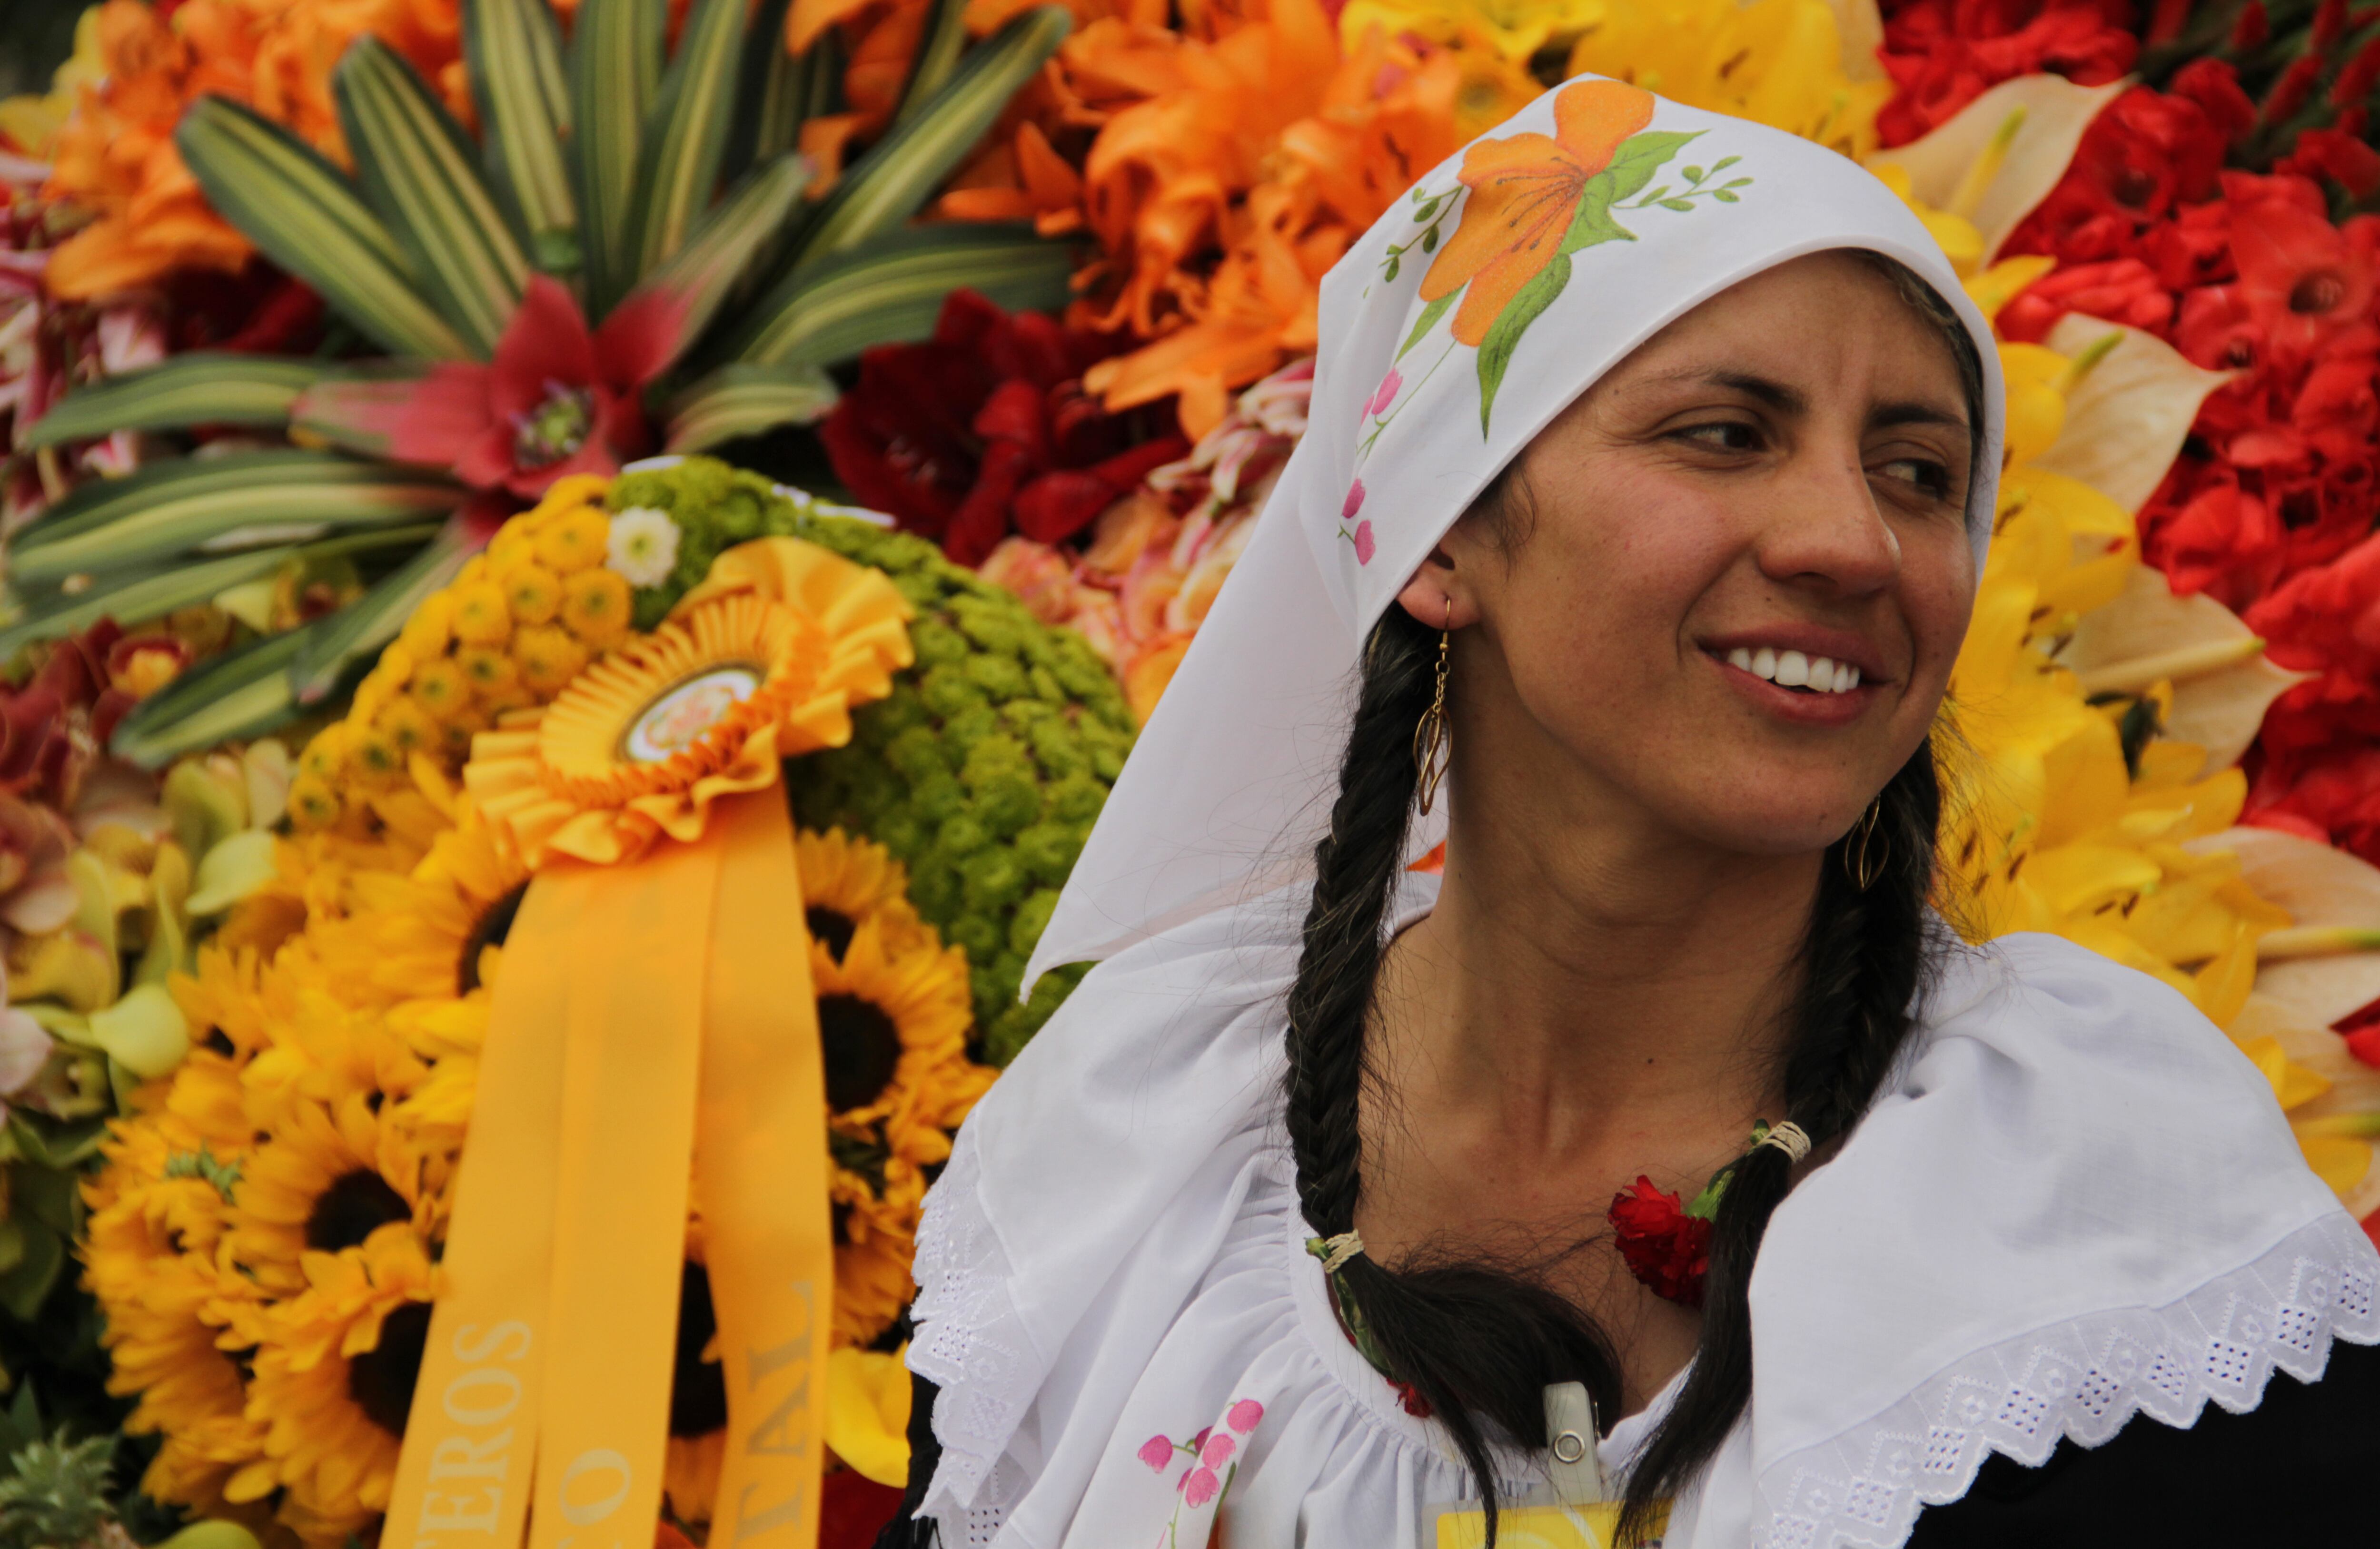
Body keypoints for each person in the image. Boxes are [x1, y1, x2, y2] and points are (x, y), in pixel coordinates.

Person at [876, 78, 2380, 1549]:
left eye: (1919, 472)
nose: (1856, 541)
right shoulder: (1152, 1143)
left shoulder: (2091, 1198)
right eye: (1726, 433)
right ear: (1445, 533)